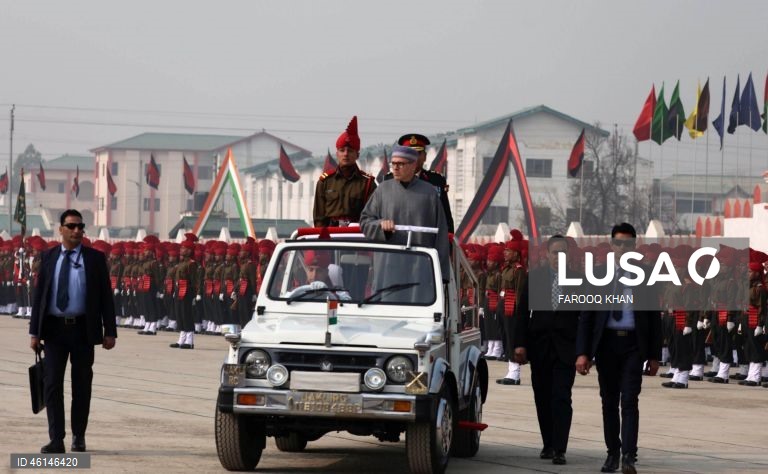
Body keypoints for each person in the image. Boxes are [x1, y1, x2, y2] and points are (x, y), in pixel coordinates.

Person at [575, 223, 662, 474]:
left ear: (635, 246)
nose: (623, 248)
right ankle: (612, 453)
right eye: (619, 243)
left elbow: (653, 317)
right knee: (609, 402)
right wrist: (583, 353)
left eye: (628, 244)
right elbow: (587, 316)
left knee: (630, 401)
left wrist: (654, 355)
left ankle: (628, 457)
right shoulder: (597, 274)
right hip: (607, 345)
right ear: (611, 245)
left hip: (634, 345)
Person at [29, 209, 117, 453]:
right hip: (54, 331)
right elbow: (40, 297)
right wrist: (34, 333)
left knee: (81, 385)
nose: (77, 230)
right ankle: (57, 439)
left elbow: (105, 298)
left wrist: (110, 330)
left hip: (82, 330)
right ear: (61, 229)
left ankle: (79, 435)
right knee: (52, 385)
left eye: (80, 226)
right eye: (71, 226)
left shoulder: (94, 259)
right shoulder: (48, 258)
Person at [513, 235, 580, 465]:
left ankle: (560, 448)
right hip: (539, 347)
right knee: (542, 398)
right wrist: (519, 344)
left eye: (563, 252)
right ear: (547, 254)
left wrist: (583, 351)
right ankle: (548, 444)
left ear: (568, 255)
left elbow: (584, 318)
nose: (558, 257)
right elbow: (522, 313)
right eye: (554, 253)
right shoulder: (536, 279)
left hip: (566, 349)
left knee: (561, 397)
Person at [359, 145, 450, 283]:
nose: (395, 168)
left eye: (400, 164)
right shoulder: (383, 190)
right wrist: (381, 226)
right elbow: (365, 222)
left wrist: (442, 274)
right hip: (387, 267)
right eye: (393, 163)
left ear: (413, 165)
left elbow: (441, 234)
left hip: (420, 268)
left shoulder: (429, 193)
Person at [313, 115, 377, 227]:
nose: (346, 154)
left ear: (357, 155)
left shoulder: (367, 183)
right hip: (330, 235)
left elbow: (373, 215)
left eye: (350, 151)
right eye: (342, 150)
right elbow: (319, 218)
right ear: (337, 154)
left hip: (356, 235)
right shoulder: (325, 181)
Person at [382, 133, 454, 233]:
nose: (413, 158)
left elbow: (445, 217)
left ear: (424, 157)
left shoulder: (436, 181)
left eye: (417, 153)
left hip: (426, 240)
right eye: (409, 154)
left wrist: (447, 243)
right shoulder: (390, 179)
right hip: (397, 238)